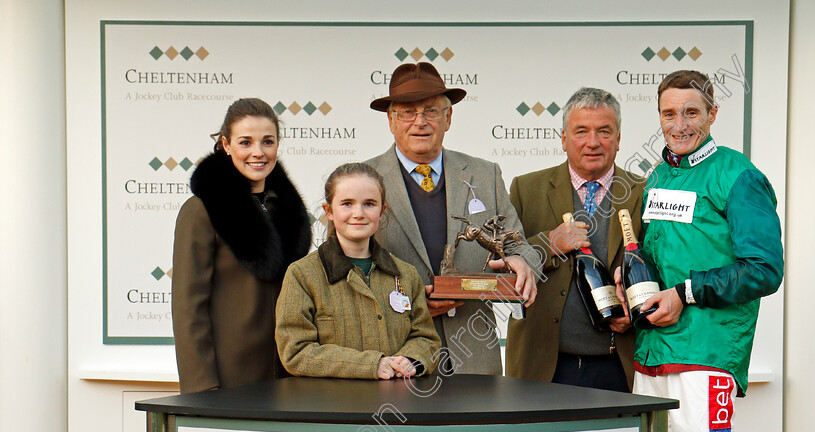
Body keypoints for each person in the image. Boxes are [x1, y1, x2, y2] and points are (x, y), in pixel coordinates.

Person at [616, 70, 783, 432]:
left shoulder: (738, 175)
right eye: (669, 113)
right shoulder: (659, 175)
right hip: (653, 352)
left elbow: (764, 269)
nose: (680, 123)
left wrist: (684, 294)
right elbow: (654, 255)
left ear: (713, 114)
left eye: (691, 112)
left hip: (705, 356)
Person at [365, 62, 539, 375]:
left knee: (473, 427)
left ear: (449, 118)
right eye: (407, 112)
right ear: (391, 120)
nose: (420, 122)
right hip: (396, 357)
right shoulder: (363, 179)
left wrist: (526, 264)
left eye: (431, 110)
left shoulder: (485, 175)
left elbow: (517, 246)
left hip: (474, 357)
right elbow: (347, 270)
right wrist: (412, 304)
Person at [505, 87, 645, 392]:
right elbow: (501, 267)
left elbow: (662, 269)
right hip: (542, 366)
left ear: (619, 139)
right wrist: (550, 242)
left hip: (620, 365)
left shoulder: (644, 192)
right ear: (564, 139)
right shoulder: (525, 189)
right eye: (581, 131)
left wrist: (636, 317)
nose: (592, 142)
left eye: (604, 131)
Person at [172, 98, 312, 394]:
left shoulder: (285, 209)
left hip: (289, 377)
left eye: (267, 141)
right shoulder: (201, 210)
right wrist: (203, 387)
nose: (258, 153)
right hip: (228, 380)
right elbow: (188, 307)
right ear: (226, 145)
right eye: (245, 142)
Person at [275, 163, 441, 379]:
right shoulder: (302, 275)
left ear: (381, 212)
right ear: (329, 211)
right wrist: (371, 365)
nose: (358, 213)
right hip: (331, 407)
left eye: (369, 204)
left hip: (395, 407)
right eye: (347, 204)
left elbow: (426, 339)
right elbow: (295, 352)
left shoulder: (405, 274)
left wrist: (412, 360)